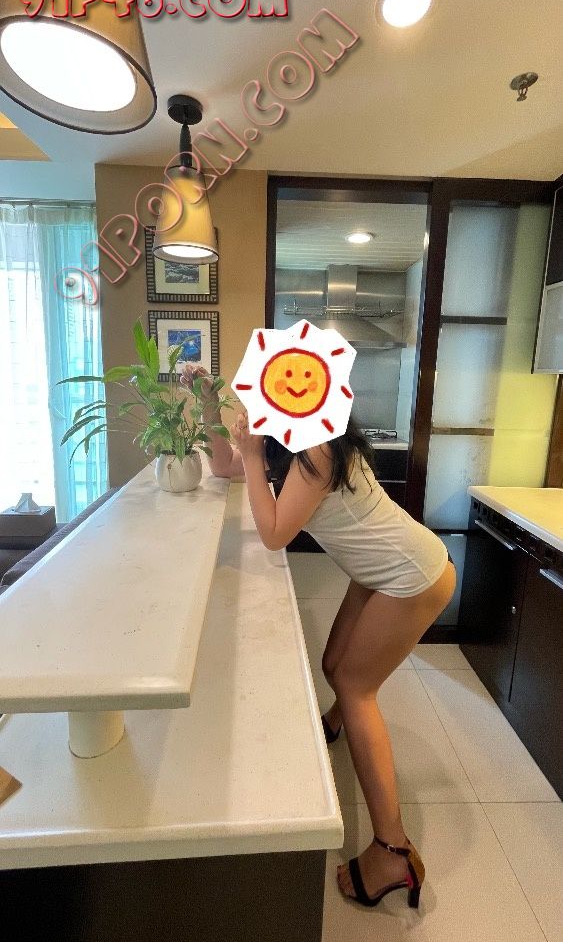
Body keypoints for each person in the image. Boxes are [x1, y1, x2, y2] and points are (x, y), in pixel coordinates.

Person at [181, 362, 456, 911]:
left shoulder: (319, 447)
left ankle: (392, 851)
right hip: (380, 572)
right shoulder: (295, 440)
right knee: (335, 666)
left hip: (411, 576)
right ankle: (340, 721)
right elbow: (224, 466)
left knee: (355, 686)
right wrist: (212, 405)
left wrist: (253, 455)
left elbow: (274, 533)